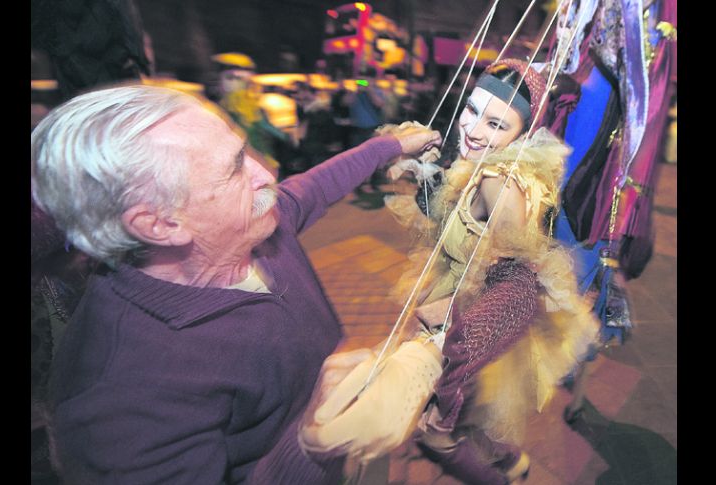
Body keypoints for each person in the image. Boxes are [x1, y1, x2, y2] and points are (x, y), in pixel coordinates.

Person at [31, 84, 440, 484]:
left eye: (244, 151)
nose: (268, 172)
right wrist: (309, 445)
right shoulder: (116, 405)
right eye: (234, 169)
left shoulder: (255, 222)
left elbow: (313, 186)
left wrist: (392, 146)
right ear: (160, 224)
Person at [299, 60, 598, 484]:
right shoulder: (483, 161)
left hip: (474, 321)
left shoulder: (500, 180)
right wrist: (426, 175)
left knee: (439, 434)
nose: (474, 129)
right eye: (472, 110)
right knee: (481, 417)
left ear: (522, 133)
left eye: (496, 123)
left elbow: (521, 279)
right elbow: (454, 216)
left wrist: (458, 317)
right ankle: (511, 463)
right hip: (457, 302)